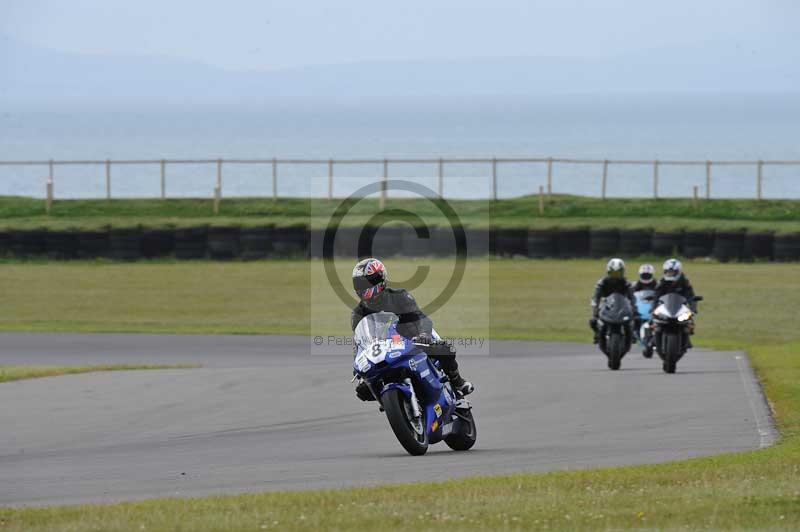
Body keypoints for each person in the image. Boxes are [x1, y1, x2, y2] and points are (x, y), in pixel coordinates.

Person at [350, 257, 474, 400]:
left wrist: (424, 334)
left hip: (412, 338)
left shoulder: (399, 296)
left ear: (380, 279)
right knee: (363, 391)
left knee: (444, 348)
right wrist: (359, 373)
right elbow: (359, 343)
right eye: (359, 283)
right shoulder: (358, 314)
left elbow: (420, 317)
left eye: (367, 282)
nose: (362, 287)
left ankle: (457, 381)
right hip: (385, 351)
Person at [589, 258, 639, 343]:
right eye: (613, 273)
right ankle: (597, 334)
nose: (616, 276)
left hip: (622, 305)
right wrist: (595, 310)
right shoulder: (602, 282)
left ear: (622, 272)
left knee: (637, 318)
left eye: (618, 273)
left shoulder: (626, 283)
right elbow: (596, 297)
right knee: (593, 321)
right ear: (608, 272)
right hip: (606, 305)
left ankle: (632, 334)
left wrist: (634, 307)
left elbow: (632, 297)